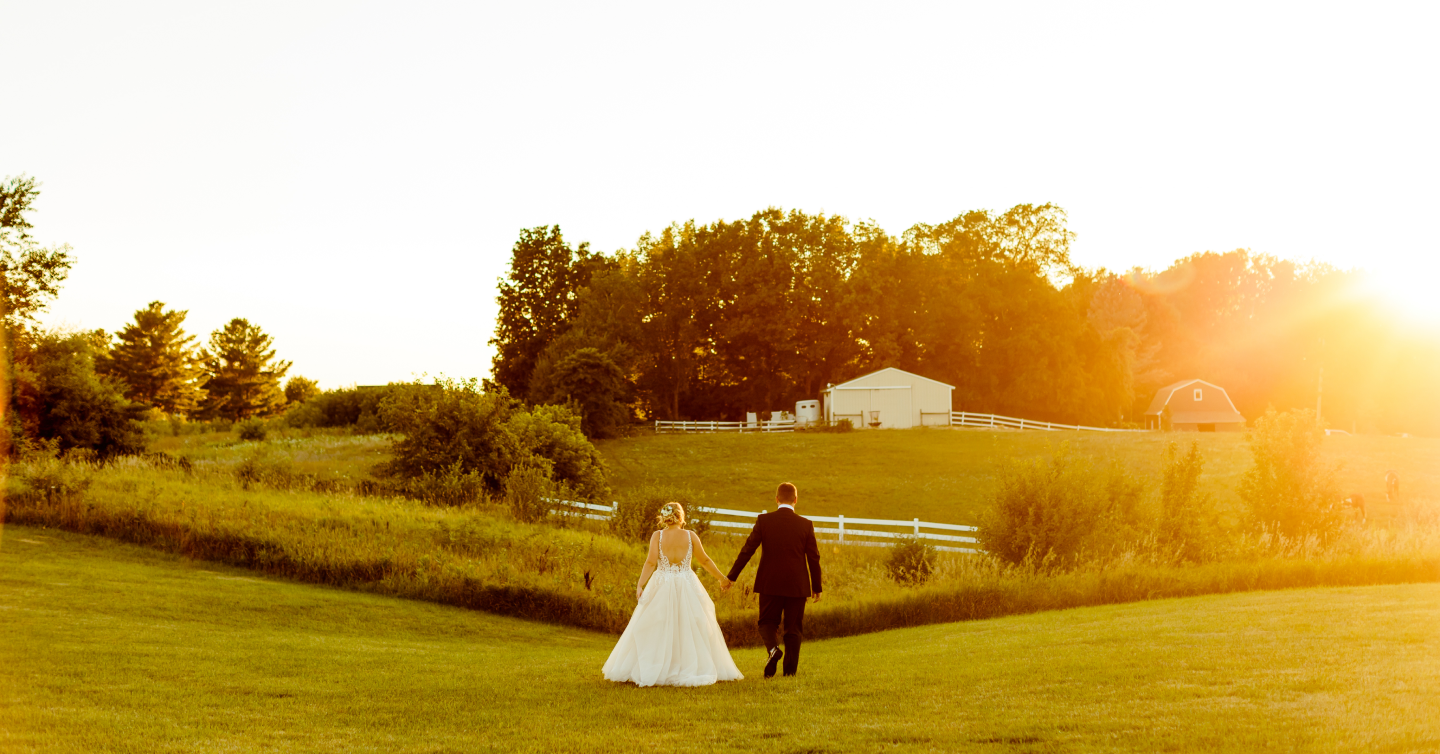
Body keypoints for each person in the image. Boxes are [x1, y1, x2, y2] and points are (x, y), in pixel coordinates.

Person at [602, 502, 743, 687]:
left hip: (662, 584)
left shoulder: (657, 536)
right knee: (690, 624)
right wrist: (722, 579)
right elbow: (705, 561)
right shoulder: (690, 536)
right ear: (681, 516)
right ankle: (687, 665)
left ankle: (657, 666)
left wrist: (640, 584)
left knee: (657, 624)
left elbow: (651, 562)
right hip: (687, 584)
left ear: (665, 517)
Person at [723, 482, 822, 678]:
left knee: (767, 623)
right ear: (795, 500)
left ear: (776, 499)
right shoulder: (805, 524)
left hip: (770, 582)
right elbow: (814, 557)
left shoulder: (764, 521)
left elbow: (747, 550)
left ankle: (773, 650)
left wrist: (731, 577)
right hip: (797, 585)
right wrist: (816, 586)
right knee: (793, 629)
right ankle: (790, 672)